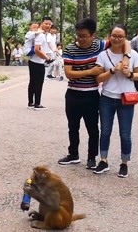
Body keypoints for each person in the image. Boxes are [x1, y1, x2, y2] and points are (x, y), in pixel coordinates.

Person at [57, 19, 109, 168]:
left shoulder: (100, 45)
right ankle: (73, 154)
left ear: (93, 35)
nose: (81, 39)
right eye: (78, 35)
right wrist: (91, 71)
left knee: (93, 128)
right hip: (73, 94)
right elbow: (69, 73)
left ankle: (92, 157)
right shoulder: (70, 49)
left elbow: (122, 41)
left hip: (91, 95)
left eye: (84, 36)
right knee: (73, 126)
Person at [94, 24, 138, 178]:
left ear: (125, 38)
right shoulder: (103, 55)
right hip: (107, 98)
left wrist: (129, 74)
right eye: (114, 35)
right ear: (109, 36)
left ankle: (124, 163)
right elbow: (98, 78)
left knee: (125, 133)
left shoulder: (132, 55)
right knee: (105, 131)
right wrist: (113, 70)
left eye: (120, 36)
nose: (117, 38)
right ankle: (103, 160)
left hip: (126, 99)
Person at [28, 17, 54, 110]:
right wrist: (45, 58)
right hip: (38, 62)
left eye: (49, 24)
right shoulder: (41, 35)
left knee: (32, 82)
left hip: (32, 61)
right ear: (41, 24)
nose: (48, 25)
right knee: (39, 83)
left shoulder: (37, 33)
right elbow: (36, 49)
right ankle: (37, 104)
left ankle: (31, 102)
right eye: (46, 23)